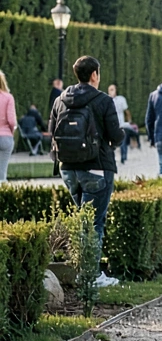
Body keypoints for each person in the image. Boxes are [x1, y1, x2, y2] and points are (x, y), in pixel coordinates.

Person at [48, 56, 123, 287]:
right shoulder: (103, 100)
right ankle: (90, 276)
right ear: (94, 75)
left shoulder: (61, 99)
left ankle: (81, 269)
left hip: (68, 169)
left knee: (83, 220)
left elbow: (52, 131)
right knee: (93, 224)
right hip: (96, 168)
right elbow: (115, 136)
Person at [108, 83, 132, 165]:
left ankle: (123, 157)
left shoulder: (121, 99)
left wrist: (129, 121)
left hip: (121, 124)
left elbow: (126, 111)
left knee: (123, 141)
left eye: (112, 89)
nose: (111, 91)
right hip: (111, 125)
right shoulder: (107, 100)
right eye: (110, 90)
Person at [0, 71, 15, 182]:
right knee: (2, 172)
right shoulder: (8, 97)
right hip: (5, 135)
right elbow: (11, 120)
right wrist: (11, 133)